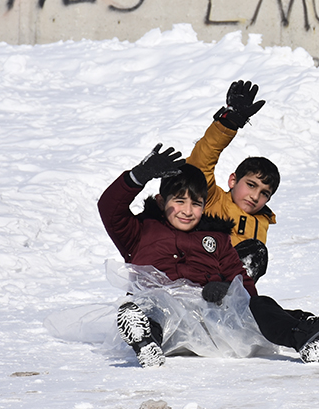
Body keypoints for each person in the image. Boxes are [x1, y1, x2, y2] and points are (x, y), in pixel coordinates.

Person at [100, 144, 273, 367]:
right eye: (179, 201)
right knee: (152, 308)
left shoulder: (213, 237)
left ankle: (306, 330)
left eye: (196, 204)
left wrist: (231, 291)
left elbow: (238, 276)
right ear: (161, 201)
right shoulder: (141, 231)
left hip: (203, 317)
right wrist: (137, 176)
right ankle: (146, 341)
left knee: (260, 292)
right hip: (158, 310)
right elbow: (109, 209)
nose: (187, 211)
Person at [186, 80, 280, 281]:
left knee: (256, 252)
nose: (255, 196)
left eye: (264, 193)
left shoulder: (261, 222)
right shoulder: (213, 200)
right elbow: (199, 165)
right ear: (233, 181)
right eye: (251, 185)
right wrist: (228, 122)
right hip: (197, 279)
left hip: (233, 290)